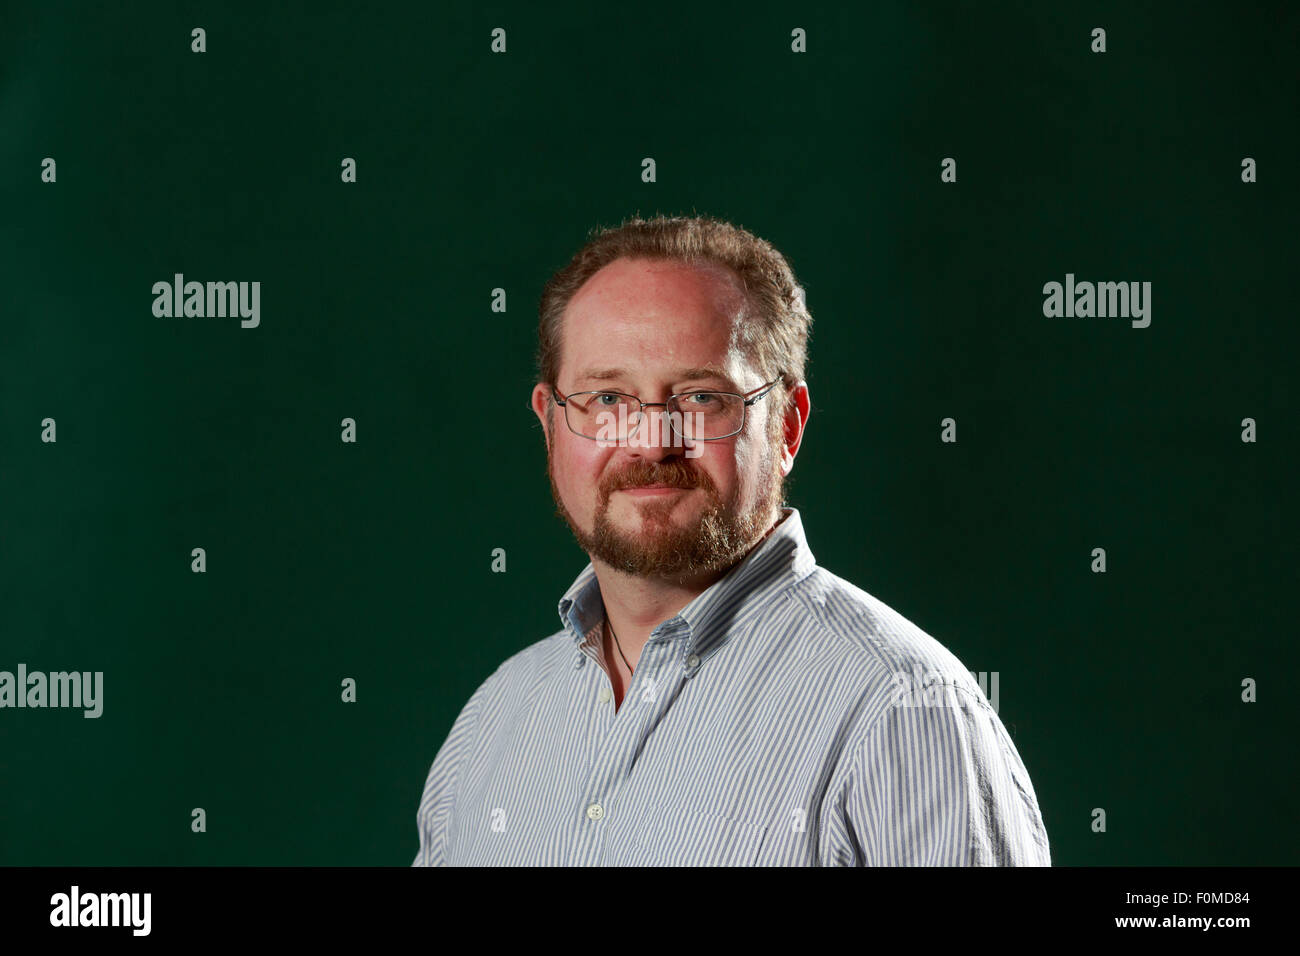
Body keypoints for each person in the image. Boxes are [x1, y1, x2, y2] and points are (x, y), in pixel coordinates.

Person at [412, 214, 1051, 866]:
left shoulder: (903, 711)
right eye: (607, 398)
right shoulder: (493, 725)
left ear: (788, 428)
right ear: (551, 424)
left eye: (700, 398)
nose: (651, 441)